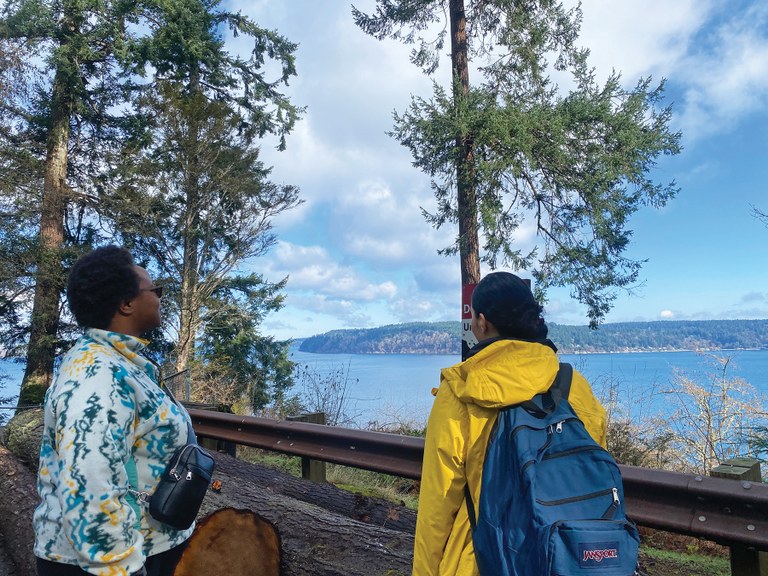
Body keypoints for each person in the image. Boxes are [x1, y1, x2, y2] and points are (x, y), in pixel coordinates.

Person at [412, 272, 607, 576]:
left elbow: (437, 504)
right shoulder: (573, 385)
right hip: (565, 557)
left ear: (482, 322)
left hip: (483, 560)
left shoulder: (461, 390)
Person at [33, 246, 193, 576]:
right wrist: (121, 567)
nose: (161, 298)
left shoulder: (119, 362)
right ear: (127, 303)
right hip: (112, 563)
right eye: (155, 290)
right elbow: (90, 481)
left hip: (141, 548)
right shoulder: (97, 375)